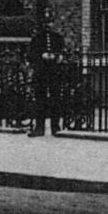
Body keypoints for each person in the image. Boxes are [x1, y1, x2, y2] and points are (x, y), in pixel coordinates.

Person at [27, 7, 67, 137]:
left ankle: (56, 127)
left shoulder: (58, 38)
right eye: (46, 22)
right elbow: (31, 55)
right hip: (41, 72)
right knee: (40, 99)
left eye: (50, 22)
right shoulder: (37, 39)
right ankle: (40, 128)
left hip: (54, 71)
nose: (48, 25)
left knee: (56, 98)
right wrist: (41, 56)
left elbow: (63, 52)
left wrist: (59, 56)